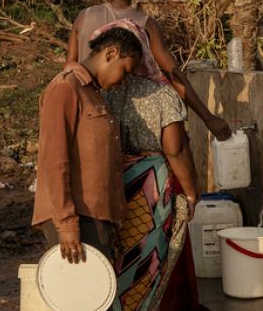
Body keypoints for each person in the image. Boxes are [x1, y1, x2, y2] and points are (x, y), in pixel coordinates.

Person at [93, 19, 201, 310]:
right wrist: (191, 192)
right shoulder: (162, 94)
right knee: (148, 256)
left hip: (113, 183)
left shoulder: (103, 90)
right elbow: (175, 150)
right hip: (150, 189)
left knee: (116, 254)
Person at [67, 0, 232, 141]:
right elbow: (173, 73)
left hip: (89, 109)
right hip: (132, 119)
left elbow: (69, 69)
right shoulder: (145, 24)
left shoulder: (84, 16)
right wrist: (208, 118)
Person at [33, 27, 144, 263]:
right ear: (111, 53)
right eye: (125, 72)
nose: (123, 82)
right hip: (76, 216)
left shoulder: (92, 93)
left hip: (94, 215)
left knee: (96, 295)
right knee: (81, 296)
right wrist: (66, 223)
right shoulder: (65, 88)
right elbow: (54, 160)